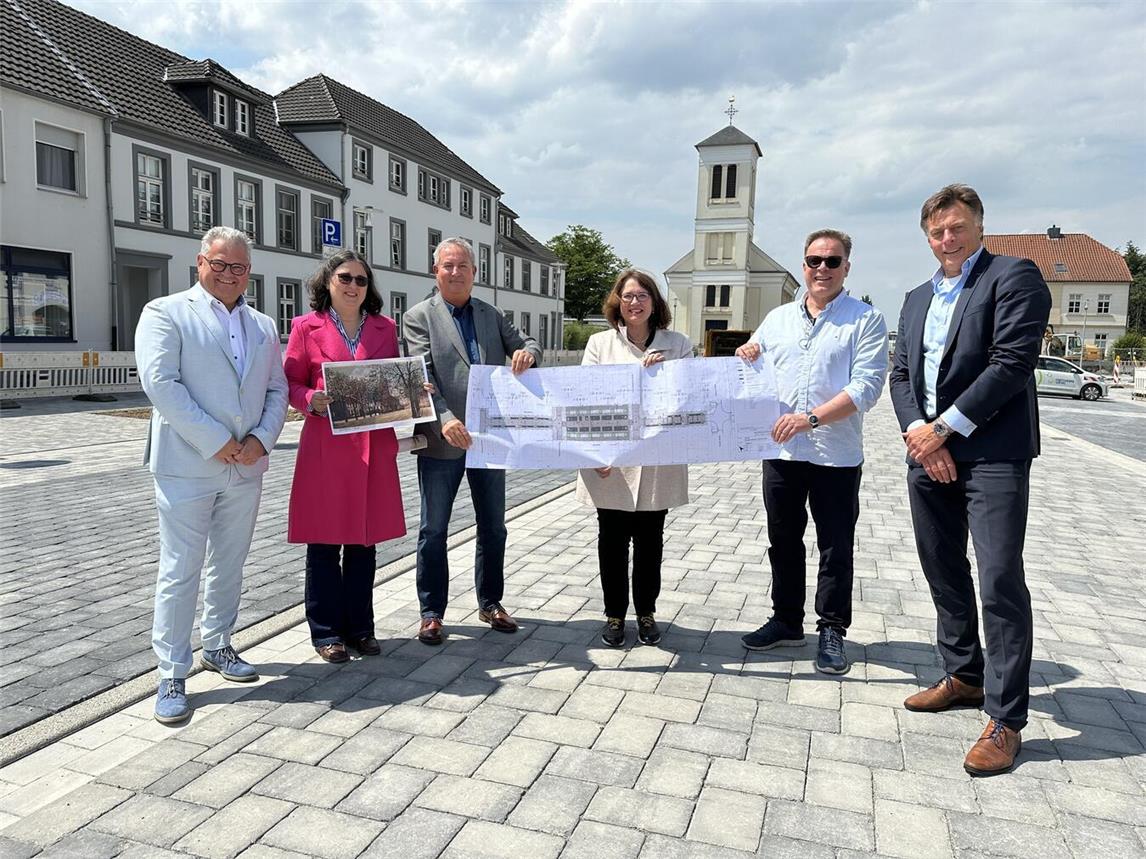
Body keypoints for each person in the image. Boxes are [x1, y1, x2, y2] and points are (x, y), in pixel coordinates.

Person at [890, 184, 1050, 776]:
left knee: (999, 578)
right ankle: (963, 675)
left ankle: (1006, 719)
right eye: (937, 232)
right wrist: (918, 433)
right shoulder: (913, 298)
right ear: (926, 236)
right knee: (942, 567)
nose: (947, 239)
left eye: (957, 228)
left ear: (980, 226)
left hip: (994, 455)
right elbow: (900, 373)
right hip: (927, 452)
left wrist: (944, 432)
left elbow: (1012, 363)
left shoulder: (1014, 276)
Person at [135, 226, 288, 724]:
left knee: (230, 562)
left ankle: (218, 644)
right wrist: (216, 441)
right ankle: (172, 671)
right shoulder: (166, 312)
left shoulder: (264, 324)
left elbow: (276, 390)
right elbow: (162, 384)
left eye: (238, 267)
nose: (228, 274)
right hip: (188, 464)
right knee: (180, 569)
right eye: (219, 264)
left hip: (246, 464)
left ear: (249, 273)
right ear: (200, 263)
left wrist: (261, 440)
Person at [736, 229, 888, 675]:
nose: (822, 268)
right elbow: (756, 359)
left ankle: (832, 629)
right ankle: (786, 620)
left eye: (832, 261)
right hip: (782, 452)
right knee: (782, 540)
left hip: (835, 454)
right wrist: (749, 351)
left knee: (835, 545)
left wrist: (812, 417)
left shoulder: (865, 320)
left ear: (847, 267)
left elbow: (867, 387)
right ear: (803, 265)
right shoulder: (778, 318)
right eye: (813, 260)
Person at [404, 238, 541, 645]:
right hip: (442, 440)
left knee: (494, 526)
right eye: (448, 265)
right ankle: (431, 613)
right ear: (436, 271)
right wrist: (445, 419)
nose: (456, 272)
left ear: (475, 273)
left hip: (489, 439)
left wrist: (528, 355)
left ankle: (491, 602)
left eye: (463, 265)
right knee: (434, 529)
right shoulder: (418, 317)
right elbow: (420, 376)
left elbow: (527, 343)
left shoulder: (490, 313)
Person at [283, 251, 406, 664]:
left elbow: (395, 380)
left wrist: (413, 393)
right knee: (323, 543)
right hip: (326, 448)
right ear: (328, 282)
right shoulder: (305, 327)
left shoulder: (385, 328)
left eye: (361, 279)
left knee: (363, 543)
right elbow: (290, 382)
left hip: (372, 446)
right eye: (345, 278)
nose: (353, 285)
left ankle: (360, 628)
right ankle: (326, 633)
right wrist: (308, 400)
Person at [577, 269, 692, 648]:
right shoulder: (599, 344)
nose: (635, 302)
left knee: (650, 542)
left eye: (642, 295)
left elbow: (691, 396)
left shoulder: (678, 344)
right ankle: (614, 615)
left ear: (654, 302)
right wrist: (592, 452)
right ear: (618, 303)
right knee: (610, 540)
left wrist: (665, 376)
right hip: (611, 461)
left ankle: (646, 613)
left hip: (658, 461)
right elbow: (586, 400)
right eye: (627, 296)